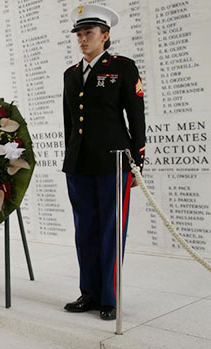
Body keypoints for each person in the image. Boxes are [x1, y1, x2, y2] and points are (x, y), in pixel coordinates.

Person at [62, 4, 146, 321]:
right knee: (85, 231)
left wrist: (137, 162)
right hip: (79, 163)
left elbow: (136, 117)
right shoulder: (71, 75)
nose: (83, 39)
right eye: (80, 34)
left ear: (105, 35)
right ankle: (89, 293)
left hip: (114, 162)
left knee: (112, 230)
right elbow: (69, 122)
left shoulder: (122, 68)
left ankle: (109, 297)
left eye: (89, 33)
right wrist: (69, 156)